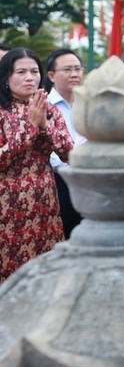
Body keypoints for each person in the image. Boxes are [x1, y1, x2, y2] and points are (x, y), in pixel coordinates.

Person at [0, 48, 73, 282]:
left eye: (34, 71)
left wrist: (45, 127)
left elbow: (69, 153)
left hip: (45, 200)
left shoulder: (50, 110)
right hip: (7, 203)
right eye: (21, 72)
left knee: (46, 270)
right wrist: (30, 128)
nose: (29, 77)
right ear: (6, 77)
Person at [44, 48, 87, 239]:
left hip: (89, 180)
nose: (74, 74)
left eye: (78, 69)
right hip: (58, 182)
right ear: (51, 76)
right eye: (68, 69)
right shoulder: (44, 106)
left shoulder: (88, 103)